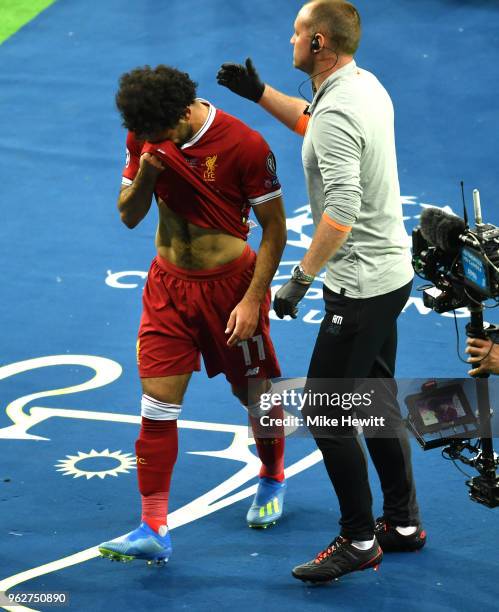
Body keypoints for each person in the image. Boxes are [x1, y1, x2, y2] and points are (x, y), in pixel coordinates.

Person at [218, 0, 425, 583]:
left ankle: (360, 539)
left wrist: (299, 280)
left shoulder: (340, 111)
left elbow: (340, 211)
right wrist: (260, 92)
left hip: (358, 287)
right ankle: (403, 523)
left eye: (297, 32)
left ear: (319, 44)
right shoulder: (362, 86)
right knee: (377, 397)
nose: (289, 39)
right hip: (389, 275)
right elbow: (313, 123)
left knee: (327, 410)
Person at [98, 65, 287, 565]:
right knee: (156, 406)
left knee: (256, 396)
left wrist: (252, 300)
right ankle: (152, 526)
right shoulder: (145, 132)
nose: (151, 140)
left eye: (161, 135)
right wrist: (147, 173)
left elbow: (275, 231)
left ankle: (271, 475)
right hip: (167, 287)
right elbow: (129, 213)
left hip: (230, 291)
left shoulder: (245, 145)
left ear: (185, 112)